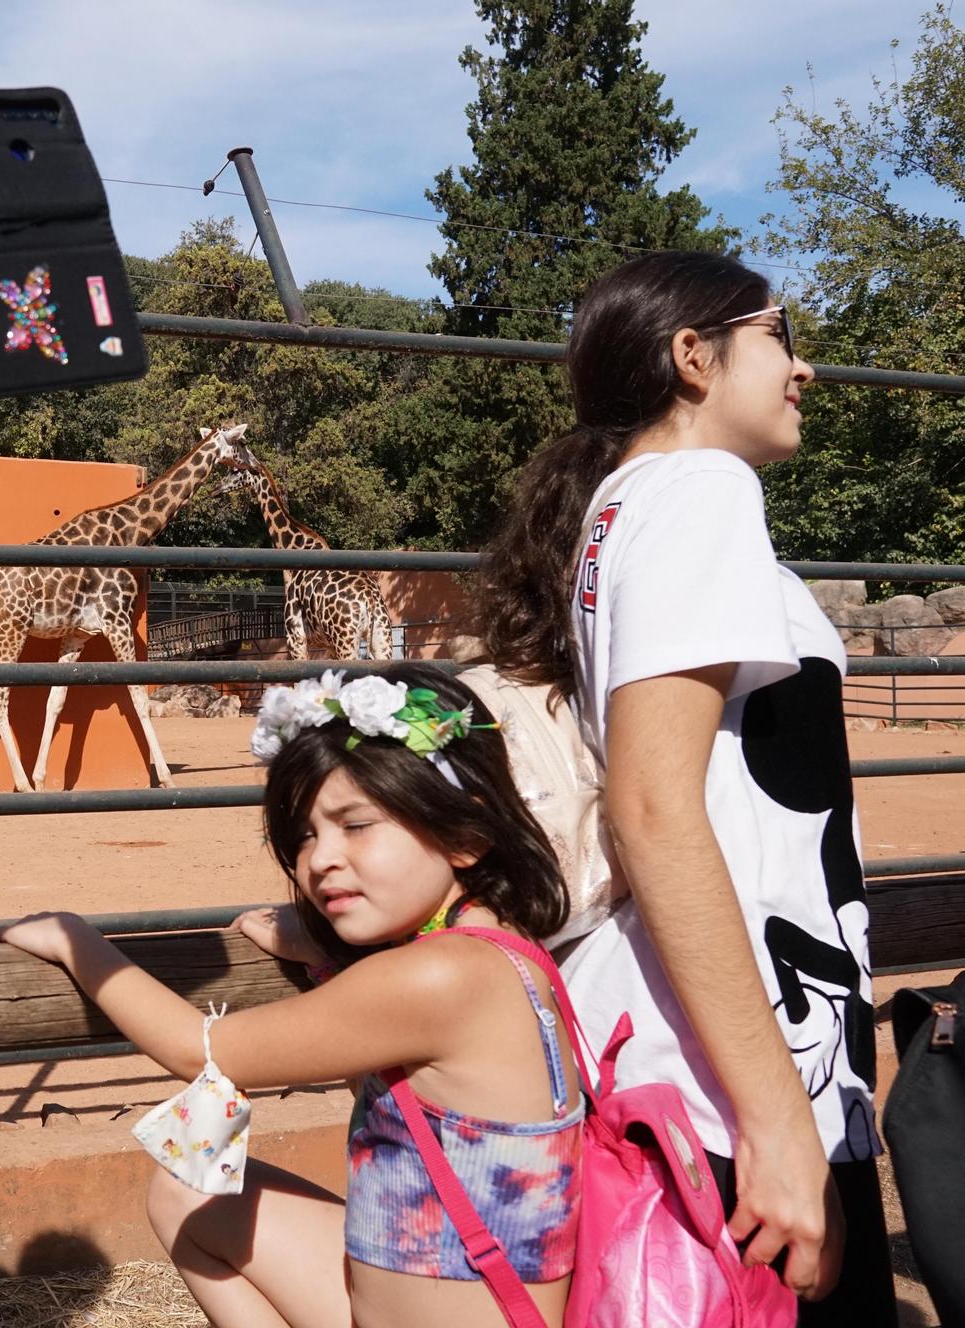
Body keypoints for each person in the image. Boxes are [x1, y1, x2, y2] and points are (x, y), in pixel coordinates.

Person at [474, 249, 889, 1322]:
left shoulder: (622, 507)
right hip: (737, 1087)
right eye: (779, 335)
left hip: (703, 1065)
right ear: (691, 358)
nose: (803, 369)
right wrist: (779, 1123)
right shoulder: (700, 487)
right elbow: (654, 807)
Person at [0, 665, 581, 1328]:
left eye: (355, 824)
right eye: (304, 835)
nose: (320, 859)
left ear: (464, 835)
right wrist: (332, 955)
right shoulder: (499, 946)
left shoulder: (438, 979)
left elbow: (200, 1050)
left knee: (189, 1195)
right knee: (186, 1195)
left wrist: (79, 942)